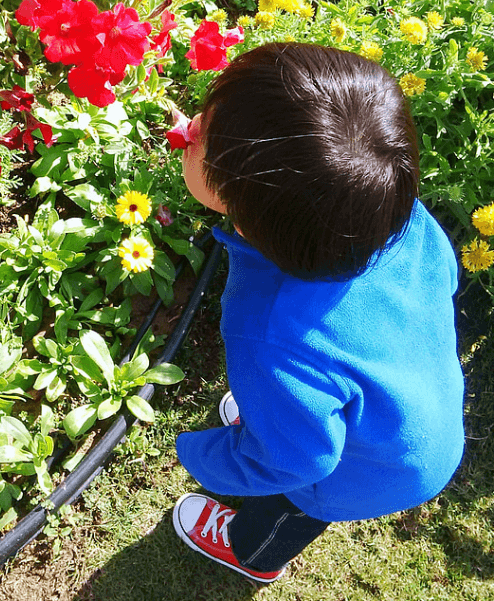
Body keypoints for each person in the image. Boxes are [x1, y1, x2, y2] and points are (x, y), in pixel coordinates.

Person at [171, 42, 465, 584]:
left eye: (205, 137)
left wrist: (205, 456)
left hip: (375, 466)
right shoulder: (389, 214)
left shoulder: (274, 337)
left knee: (293, 503)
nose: (189, 126)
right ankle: (289, 417)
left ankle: (251, 553)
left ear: (251, 212)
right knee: (293, 418)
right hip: (406, 403)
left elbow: (300, 462)